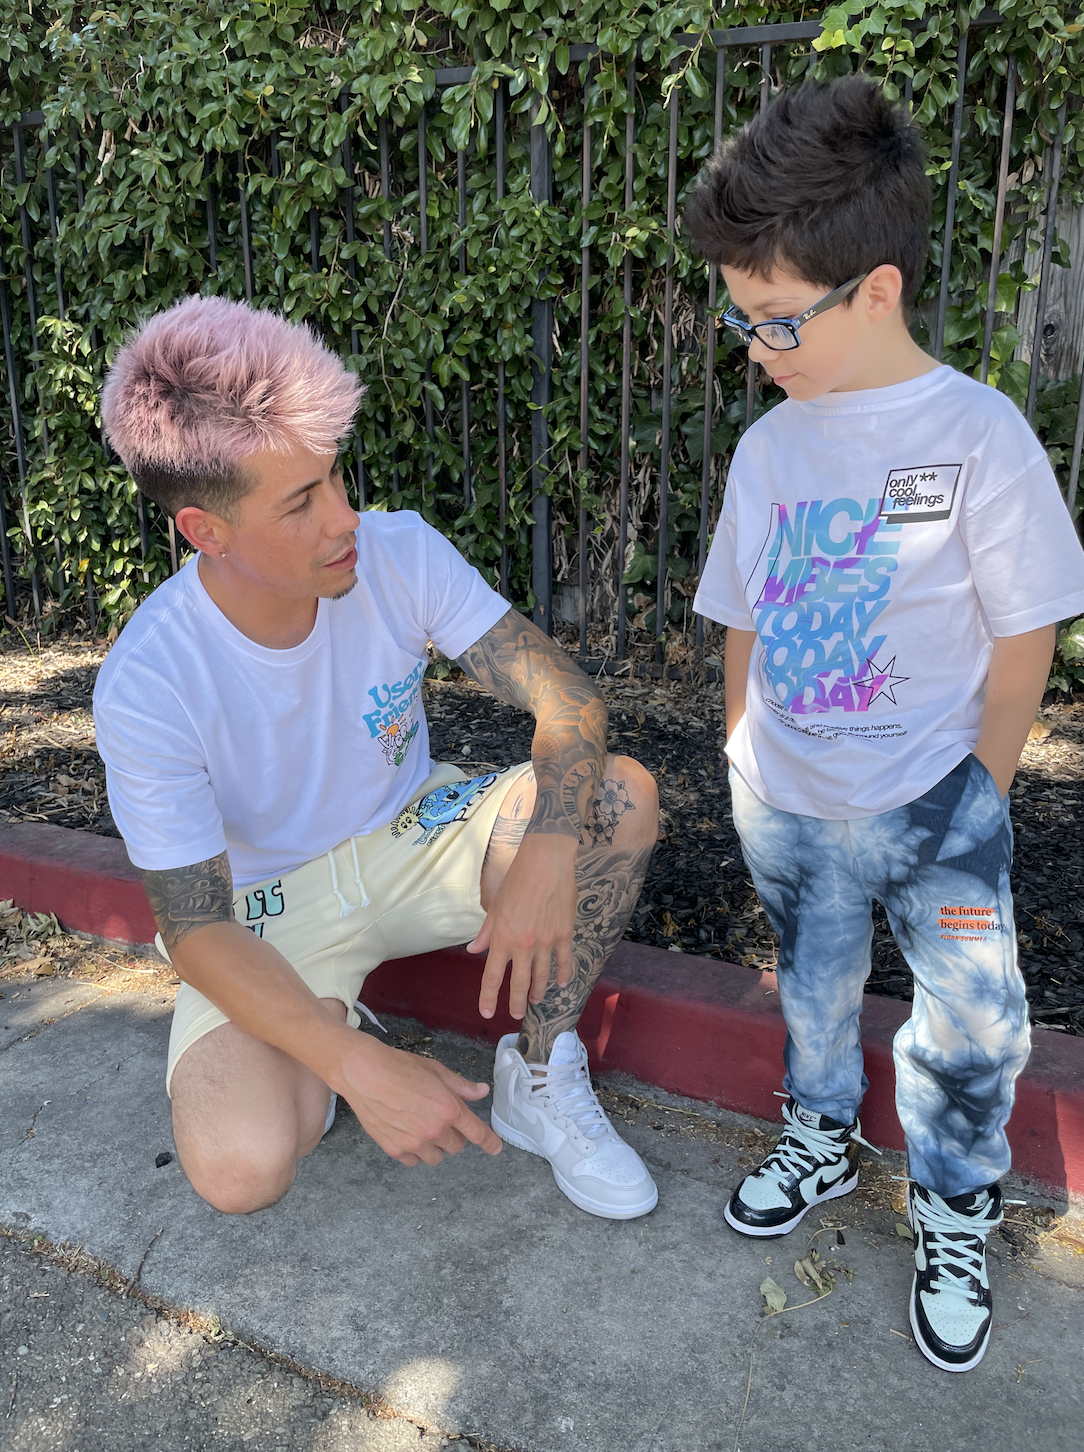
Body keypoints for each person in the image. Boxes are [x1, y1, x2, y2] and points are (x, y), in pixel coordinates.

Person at [93, 294, 660, 1223]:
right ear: (207, 531)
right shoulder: (149, 681)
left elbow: (568, 695)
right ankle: (334, 1030)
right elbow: (195, 930)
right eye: (302, 500)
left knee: (616, 801)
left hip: (412, 836)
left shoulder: (396, 554)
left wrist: (552, 844)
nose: (345, 517)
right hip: (265, 913)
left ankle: (539, 1074)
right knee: (242, 1165)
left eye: (335, 477)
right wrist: (352, 1065)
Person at [683, 75, 1084, 1371]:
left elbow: (1028, 629)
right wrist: (744, 749)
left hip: (935, 807)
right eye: (742, 319)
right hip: (789, 799)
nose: (756, 347)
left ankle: (955, 1199)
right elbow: (742, 606)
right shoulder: (771, 452)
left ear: (878, 292)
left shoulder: (977, 435)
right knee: (811, 985)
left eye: (778, 322)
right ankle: (819, 1129)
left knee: (970, 1021)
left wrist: (984, 785)